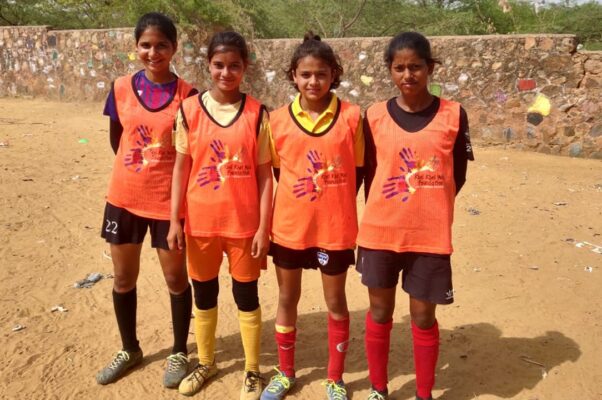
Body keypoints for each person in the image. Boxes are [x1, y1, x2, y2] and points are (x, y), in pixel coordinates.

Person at [357, 32, 474, 400]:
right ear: (390, 70)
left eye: (416, 67)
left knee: (423, 317)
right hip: (380, 233)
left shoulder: (453, 114)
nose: (407, 75)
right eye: (399, 68)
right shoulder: (374, 116)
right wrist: (390, 207)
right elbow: (369, 173)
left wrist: (429, 203)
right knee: (380, 311)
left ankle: (424, 393)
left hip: (429, 235)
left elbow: (457, 174)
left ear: (430, 67)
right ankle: (378, 388)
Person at [167, 31, 273, 400]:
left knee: (246, 294)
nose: (226, 73)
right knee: (204, 293)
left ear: (245, 68)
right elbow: (181, 168)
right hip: (201, 223)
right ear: (208, 65)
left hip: (243, 225)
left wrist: (263, 227)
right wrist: (174, 220)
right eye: (218, 65)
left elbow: (265, 175)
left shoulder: (257, 113)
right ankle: (207, 361)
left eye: (234, 66)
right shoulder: (189, 111)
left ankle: (252, 370)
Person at [261, 32, 364, 400]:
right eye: (305, 74)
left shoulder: (352, 117)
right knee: (287, 298)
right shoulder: (276, 121)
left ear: (334, 74)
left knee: (336, 302)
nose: (313, 81)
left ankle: (335, 378)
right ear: (293, 76)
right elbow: (278, 172)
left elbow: (358, 171)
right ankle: (285, 372)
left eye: (321, 74)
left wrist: (332, 201)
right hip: (290, 227)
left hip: (335, 229)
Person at [96, 12, 197, 388]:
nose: (153, 53)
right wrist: (136, 170)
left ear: (174, 48)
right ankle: (130, 349)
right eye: (146, 45)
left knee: (175, 278)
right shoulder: (120, 88)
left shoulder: (188, 96)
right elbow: (116, 139)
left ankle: (179, 351)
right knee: (124, 278)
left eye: (161, 45)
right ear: (136, 47)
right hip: (124, 199)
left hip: (168, 205)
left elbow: (190, 152)